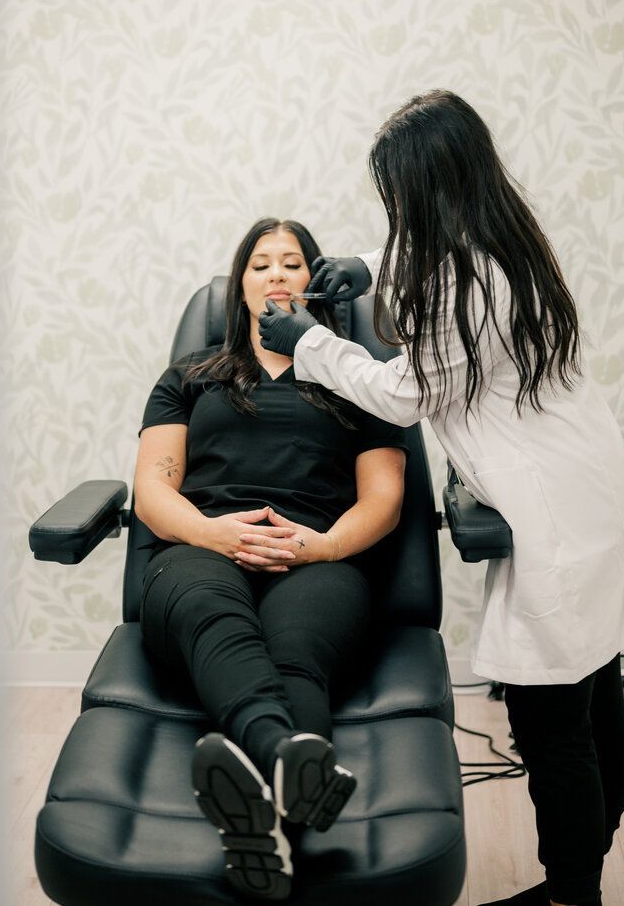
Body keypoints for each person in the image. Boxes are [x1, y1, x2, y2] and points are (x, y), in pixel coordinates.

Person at [259, 91, 624, 906]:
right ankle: (580, 874)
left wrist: (311, 344)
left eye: (396, 198)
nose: (392, 212)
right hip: (592, 485)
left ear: (427, 190)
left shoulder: (466, 278)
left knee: (552, 725)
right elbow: (419, 264)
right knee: (593, 686)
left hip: (555, 514)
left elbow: (402, 394)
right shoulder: (503, 236)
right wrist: (365, 263)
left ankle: (572, 893)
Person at [134, 217, 407, 902]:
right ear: (240, 285)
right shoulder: (189, 378)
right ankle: (289, 761)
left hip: (317, 554)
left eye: (293, 262)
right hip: (199, 548)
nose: (278, 273)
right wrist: (212, 534)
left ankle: (266, 817)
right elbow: (152, 489)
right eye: (261, 264)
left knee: (294, 651)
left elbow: (384, 497)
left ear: (317, 284)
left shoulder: (358, 380)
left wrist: (326, 545)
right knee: (210, 608)